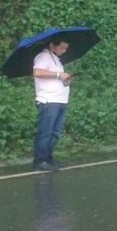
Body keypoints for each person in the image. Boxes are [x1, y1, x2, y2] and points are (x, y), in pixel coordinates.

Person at [31, 38, 73, 170]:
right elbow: (37, 72)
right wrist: (58, 75)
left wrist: (65, 79)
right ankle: (40, 161)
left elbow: (57, 77)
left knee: (55, 132)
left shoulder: (57, 60)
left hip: (60, 100)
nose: (63, 51)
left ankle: (48, 158)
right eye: (61, 48)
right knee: (45, 132)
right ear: (51, 45)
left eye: (65, 48)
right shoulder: (43, 56)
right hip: (49, 101)